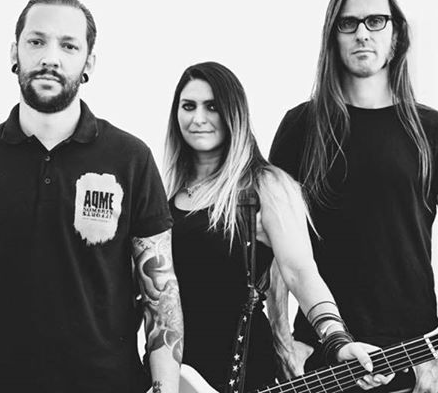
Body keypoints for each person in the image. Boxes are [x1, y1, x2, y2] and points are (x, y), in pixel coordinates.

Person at [0, 0, 183, 393]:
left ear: (88, 62)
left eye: (69, 45)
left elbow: (161, 295)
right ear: (15, 52)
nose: (50, 58)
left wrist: (164, 387)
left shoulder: (130, 159)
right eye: (36, 41)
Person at [268, 0, 438, 393]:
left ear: (396, 36)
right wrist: (282, 339)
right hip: (322, 357)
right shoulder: (300, 126)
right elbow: (273, 245)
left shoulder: (436, 130)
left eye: (376, 21)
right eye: (348, 23)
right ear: (332, 37)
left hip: (414, 356)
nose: (362, 33)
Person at [164, 61, 389, 393]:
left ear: (234, 114)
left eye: (212, 106)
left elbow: (300, 272)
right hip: (174, 374)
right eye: (188, 106)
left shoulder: (264, 186)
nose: (198, 118)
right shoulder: (169, 194)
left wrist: (338, 341)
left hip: (240, 375)